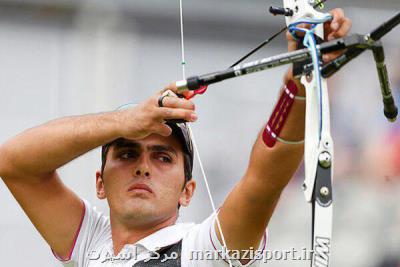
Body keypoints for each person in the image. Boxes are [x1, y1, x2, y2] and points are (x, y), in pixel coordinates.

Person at [0, 8, 352, 267]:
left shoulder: (202, 250)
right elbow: (14, 163)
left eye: (163, 157)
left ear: (188, 191)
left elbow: (266, 177)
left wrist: (301, 80)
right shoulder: (92, 243)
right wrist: (125, 121)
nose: (143, 168)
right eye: (126, 154)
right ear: (100, 183)